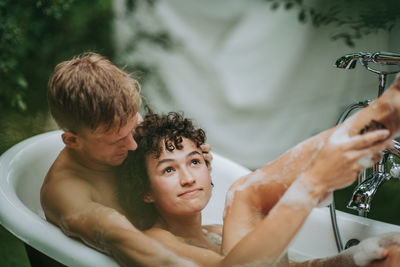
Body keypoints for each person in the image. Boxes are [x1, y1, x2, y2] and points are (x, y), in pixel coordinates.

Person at [117, 110, 400, 267]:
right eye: (169, 169)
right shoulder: (155, 240)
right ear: (146, 191)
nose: (188, 178)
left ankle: (370, 124)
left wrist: (350, 260)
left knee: (392, 257)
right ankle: (319, 176)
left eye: (194, 162)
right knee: (242, 193)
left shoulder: (217, 232)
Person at [41, 52, 212, 266]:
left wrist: (197, 161)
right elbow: (124, 240)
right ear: (72, 140)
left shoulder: (120, 132)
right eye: (116, 141)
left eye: (133, 127)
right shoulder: (68, 192)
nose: (133, 144)